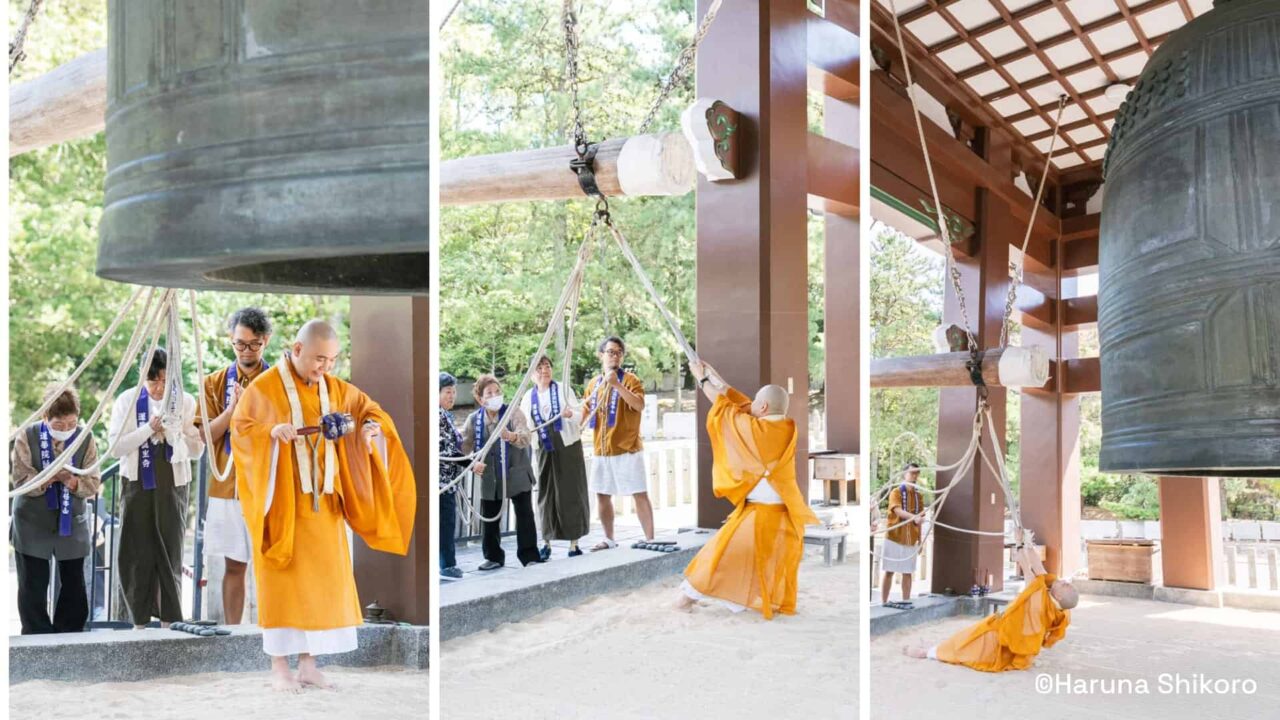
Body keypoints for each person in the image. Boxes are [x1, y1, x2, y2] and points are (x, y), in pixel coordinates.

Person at [231, 320, 416, 692]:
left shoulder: (335, 389)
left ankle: (309, 664)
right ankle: (280, 668)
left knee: (321, 590)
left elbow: (371, 411)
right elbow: (241, 429)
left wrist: (369, 429)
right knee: (282, 588)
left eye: (331, 360)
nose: (325, 368)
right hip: (282, 507)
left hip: (325, 507)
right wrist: (271, 433)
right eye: (319, 359)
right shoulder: (264, 389)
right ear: (297, 350)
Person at [675, 360, 820, 619]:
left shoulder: (756, 430)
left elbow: (723, 406)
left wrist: (702, 380)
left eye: (755, 401)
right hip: (783, 518)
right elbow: (734, 398)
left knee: (716, 555)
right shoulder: (786, 427)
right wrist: (710, 372)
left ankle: (686, 599)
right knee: (752, 563)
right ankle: (735, 602)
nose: (749, 403)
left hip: (760, 516)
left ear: (762, 407)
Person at [108, 347, 205, 629]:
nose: (159, 388)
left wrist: (174, 436)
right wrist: (149, 430)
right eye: (153, 381)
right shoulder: (127, 400)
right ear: (143, 377)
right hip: (136, 482)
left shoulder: (184, 401)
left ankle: (170, 621)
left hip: (173, 482)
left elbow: (197, 450)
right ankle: (136, 622)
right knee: (136, 552)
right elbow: (116, 448)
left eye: (165, 380)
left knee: (170, 551)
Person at [194, 307, 273, 624]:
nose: (246, 351)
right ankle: (234, 632)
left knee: (271, 564)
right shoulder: (213, 382)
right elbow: (203, 436)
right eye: (240, 344)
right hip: (227, 486)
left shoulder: (279, 382)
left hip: (268, 482)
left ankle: (272, 632)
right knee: (235, 564)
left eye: (253, 344)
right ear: (231, 341)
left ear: (265, 341)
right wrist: (232, 410)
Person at [10, 385, 102, 634]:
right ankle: (36, 634)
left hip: (71, 518)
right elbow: (21, 480)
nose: (66, 430)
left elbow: (93, 482)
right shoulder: (26, 435)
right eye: (59, 426)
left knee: (74, 582)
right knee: (32, 584)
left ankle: (69, 633)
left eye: (71, 424)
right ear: (45, 419)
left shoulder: (86, 438)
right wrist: (52, 476)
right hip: (32, 519)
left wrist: (70, 480)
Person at [904, 543, 1076, 671]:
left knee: (966, 647)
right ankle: (937, 648)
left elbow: (1029, 572)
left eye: (1065, 585)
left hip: (999, 639)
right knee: (964, 638)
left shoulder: (1039, 601)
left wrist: (1020, 552)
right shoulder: (1057, 604)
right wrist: (1027, 544)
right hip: (999, 625)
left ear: (1059, 595)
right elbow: (1040, 570)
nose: (1063, 581)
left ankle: (928, 653)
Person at [460, 374, 540, 570]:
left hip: (517, 473)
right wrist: (464, 460)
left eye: (497, 392)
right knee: (491, 517)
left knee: (524, 515)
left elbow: (526, 436)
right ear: (480, 398)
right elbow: (464, 446)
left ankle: (529, 555)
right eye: (489, 393)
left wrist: (511, 436)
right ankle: (493, 556)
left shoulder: (513, 413)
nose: (495, 395)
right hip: (490, 476)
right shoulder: (473, 419)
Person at [581, 336, 653, 550]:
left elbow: (639, 405)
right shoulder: (594, 384)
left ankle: (651, 539)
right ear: (600, 355)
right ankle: (609, 539)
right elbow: (584, 415)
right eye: (611, 351)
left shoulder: (630, 380)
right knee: (602, 494)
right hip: (602, 450)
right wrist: (571, 415)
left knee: (638, 492)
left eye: (619, 352)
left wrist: (617, 385)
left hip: (627, 448)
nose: (615, 356)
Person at [519, 354, 589, 560]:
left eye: (547, 366)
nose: (544, 371)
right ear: (532, 374)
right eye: (539, 368)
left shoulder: (563, 390)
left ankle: (574, 543)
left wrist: (570, 415)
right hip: (542, 447)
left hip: (567, 444)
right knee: (545, 493)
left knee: (571, 491)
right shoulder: (527, 398)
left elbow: (579, 416)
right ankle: (546, 541)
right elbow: (524, 427)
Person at [438, 372, 469, 580]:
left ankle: (448, 563)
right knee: (445, 523)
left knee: (448, 522)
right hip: (441, 482)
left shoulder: (445, 415)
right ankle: (447, 565)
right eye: (448, 392)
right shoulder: (437, 416)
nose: (452, 396)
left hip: (449, 481)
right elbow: (444, 450)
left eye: (454, 391)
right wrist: (470, 463)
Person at [881, 463, 924, 605]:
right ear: (904, 474)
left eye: (917, 473)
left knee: (908, 572)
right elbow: (897, 511)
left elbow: (920, 520)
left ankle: (906, 601)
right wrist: (914, 517)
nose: (915, 476)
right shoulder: (896, 492)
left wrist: (920, 540)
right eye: (912, 473)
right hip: (894, 537)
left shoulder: (919, 496)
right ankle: (884, 602)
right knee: (889, 571)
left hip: (911, 539)